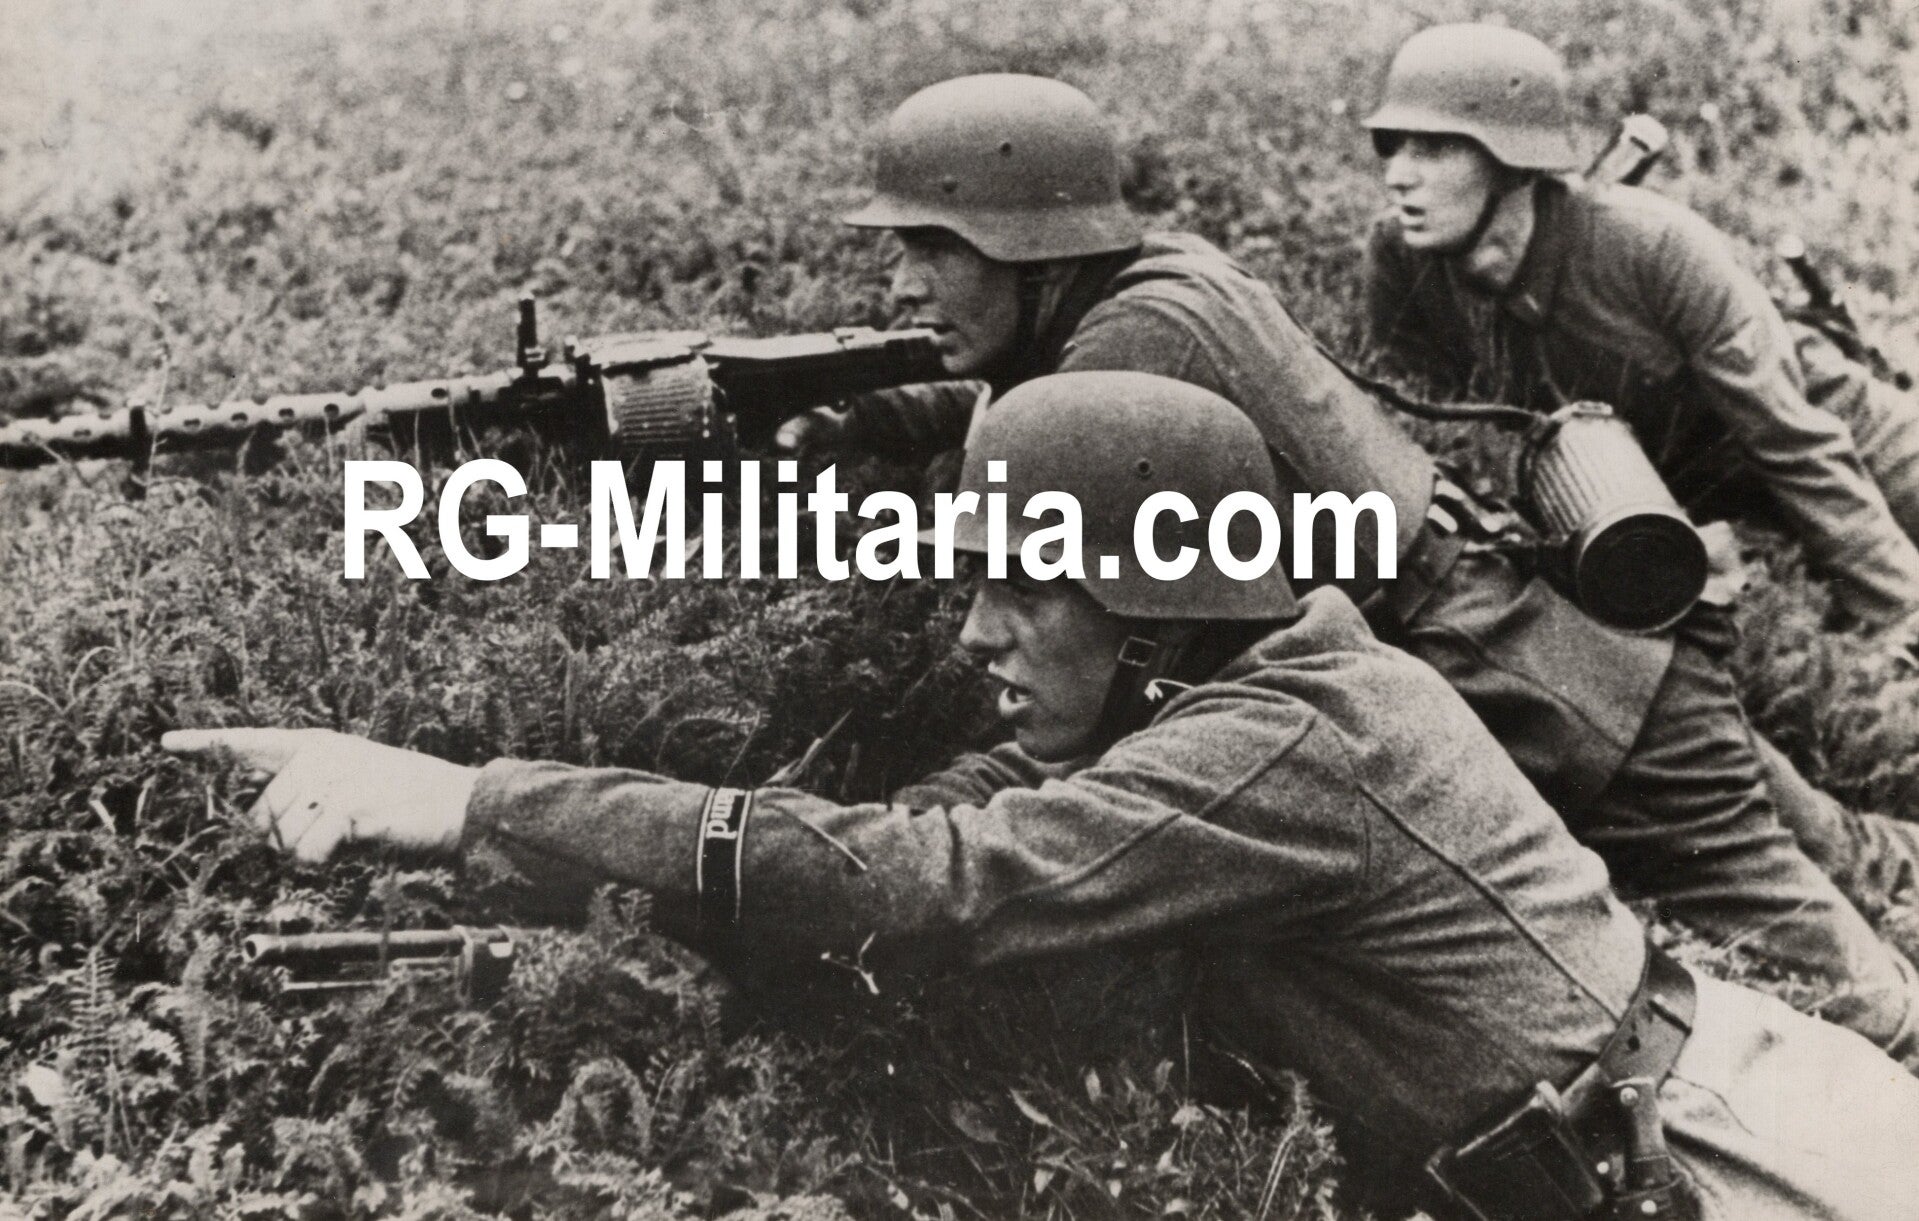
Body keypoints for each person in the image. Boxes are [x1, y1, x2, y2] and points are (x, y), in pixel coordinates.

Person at [167, 373, 1919, 1221]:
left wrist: (468, 792)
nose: (979, 625)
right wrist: (571, 864)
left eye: (1022, 585)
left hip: (1740, 1179)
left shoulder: (1279, 745)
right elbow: (954, 814)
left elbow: (925, 884)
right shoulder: (1247, 677)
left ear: (1146, 604)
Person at [781, 73, 1919, 1063]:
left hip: (1551, 698)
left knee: (1856, 995)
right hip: (1541, 635)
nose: (900, 282)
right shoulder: (1157, 278)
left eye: (932, 247)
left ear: (1033, 251)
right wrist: (856, 410)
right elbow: (1005, 380)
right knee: (1849, 852)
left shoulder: (1132, 351)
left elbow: (1041, 550)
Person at [1360, 22, 1919, 635]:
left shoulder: (1654, 246)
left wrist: (1901, 615)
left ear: (1514, 166)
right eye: (1395, 146)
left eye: (1434, 150)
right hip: (1684, 497)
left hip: (1826, 430)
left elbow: (1794, 442)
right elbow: (1431, 435)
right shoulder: (1402, 262)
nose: (1399, 175)